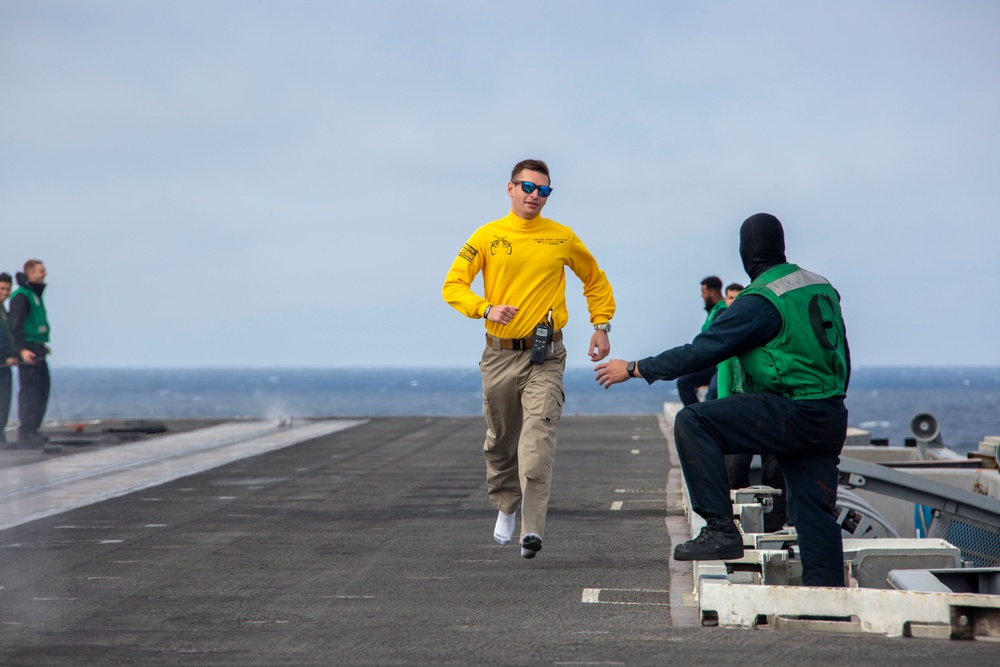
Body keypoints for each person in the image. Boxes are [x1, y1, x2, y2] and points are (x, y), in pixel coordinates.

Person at [595, 213, 850, 587]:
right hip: (830, 413)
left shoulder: (762, 299)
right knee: (815, 514)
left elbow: (702, 352)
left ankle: (720, 530)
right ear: (781, 245)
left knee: (694, 422)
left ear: (747, 252)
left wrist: (635, 368)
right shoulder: (820, 286)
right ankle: (826, 599)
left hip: (791, 410)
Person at [443, 159, 616, 559]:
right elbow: (453, 285)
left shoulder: (561, 237)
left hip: (546, 355)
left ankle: (532, 529)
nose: (535, 196)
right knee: (502, 442)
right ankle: (506, 504)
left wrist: (601, 325)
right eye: (528, 187)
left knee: (537, 438)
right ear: (510, 188)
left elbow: (594, 278)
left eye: (544, 190)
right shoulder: (487, 236)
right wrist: (485, 308)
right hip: (499, 355)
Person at [10, 260, 52, 447]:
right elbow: (15, 326)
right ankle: (26, 431)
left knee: (42, 388)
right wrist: (21, 350)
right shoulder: (22, 296)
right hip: (28, 349)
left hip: (37, 347)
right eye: (41, 271)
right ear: (30, 273)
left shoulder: (34, 294)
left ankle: (34, 429)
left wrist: (42, 344)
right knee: (30, 390)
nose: (44, 274)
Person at [675, 276, 726, 405]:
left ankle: (696, 418)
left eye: (703, 292)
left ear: (712, 292)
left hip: (716, 364)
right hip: (709, 361)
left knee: (684, 382)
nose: (701, 296)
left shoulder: (721, 312)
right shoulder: (713, 311)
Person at [0, 273, 19, 447]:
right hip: (1, 364)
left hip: (5, 364)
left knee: (5, 401)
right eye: (2, 288)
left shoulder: (3, 310)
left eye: (7, 289)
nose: (5, 292)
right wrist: (6, 356)